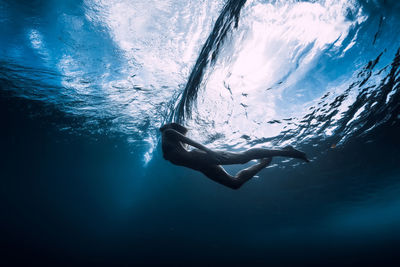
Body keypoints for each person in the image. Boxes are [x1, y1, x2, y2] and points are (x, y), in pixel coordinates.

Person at [160, 123, 309, 190]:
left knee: (243, 157)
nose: (162, 128)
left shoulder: (168, 133)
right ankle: (264, 162)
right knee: (234, 184)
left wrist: (210, 152)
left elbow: (191, 142)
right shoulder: (168, 143)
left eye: (166, 126)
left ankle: (286, 151)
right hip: (201, 166)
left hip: (202, 157)